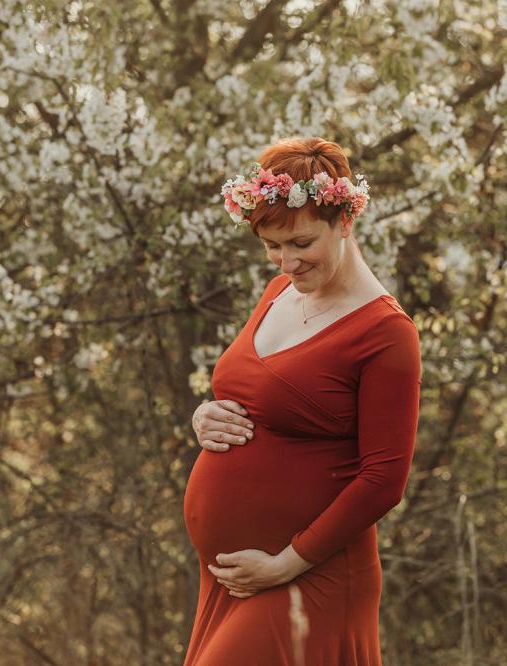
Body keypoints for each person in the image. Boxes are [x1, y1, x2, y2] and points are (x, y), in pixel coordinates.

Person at [182, 137, 421, 665]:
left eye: (302, 244)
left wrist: (286, 564)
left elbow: (384, 480)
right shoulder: (277, 293)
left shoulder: (386, 332)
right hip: (235, 576)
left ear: (345, 222)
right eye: (272, 245)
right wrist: (205, 416)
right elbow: (248, 390)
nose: (286, 262)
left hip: (312, 577)